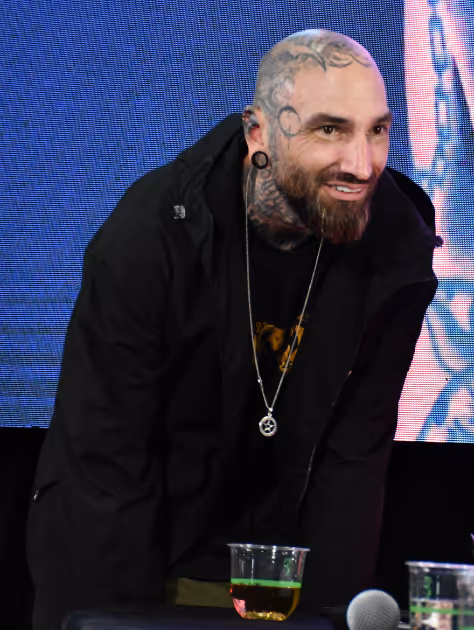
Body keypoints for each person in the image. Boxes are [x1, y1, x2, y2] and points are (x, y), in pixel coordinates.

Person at [26, 30, 440, 630]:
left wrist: (325, 618)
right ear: (260, 134)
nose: (363, 163)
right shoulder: (154, 235)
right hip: (143, 538)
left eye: (376, 129)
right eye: (330, 129)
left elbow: (355, 456)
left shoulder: (395, 240)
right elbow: (106, 464)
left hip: (280, 561)